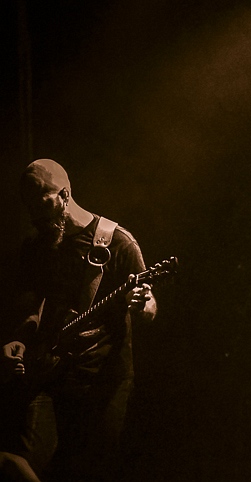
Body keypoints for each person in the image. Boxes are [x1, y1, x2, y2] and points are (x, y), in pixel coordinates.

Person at [0, 159, 157, 481]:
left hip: (102, 381)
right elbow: (32, 308)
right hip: (47, 374)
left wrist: (142, 304)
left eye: (43, 208)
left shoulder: (116, 242)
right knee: (15, 461)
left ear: (64, 194)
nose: (37, 220)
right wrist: (19, 339)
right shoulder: (36, 245)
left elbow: (150, 305)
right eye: (31, 210)